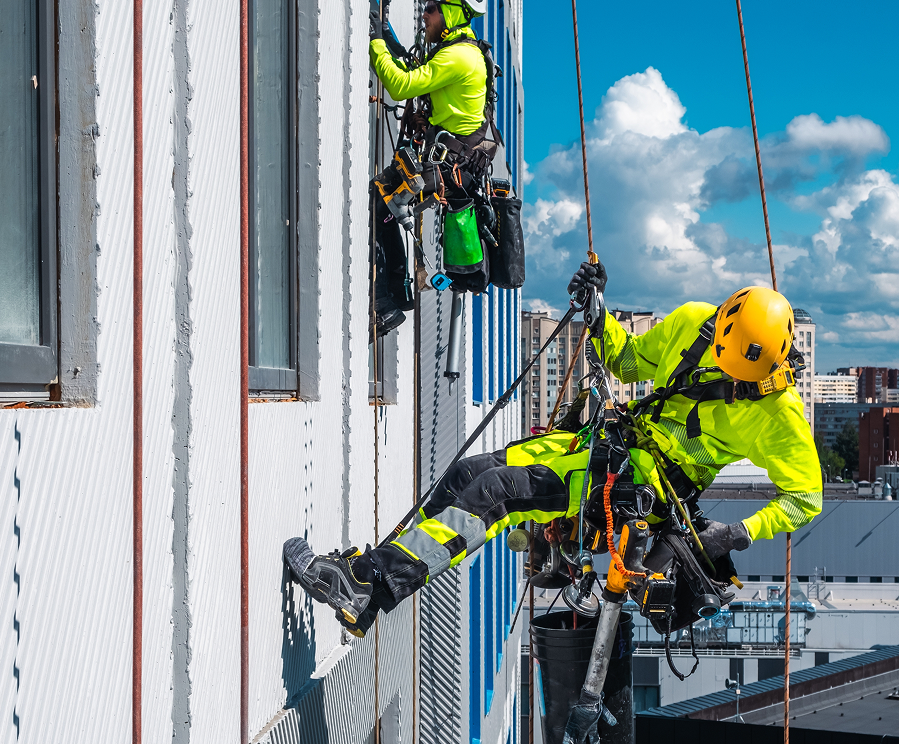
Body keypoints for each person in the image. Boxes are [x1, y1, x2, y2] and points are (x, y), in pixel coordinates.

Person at [284, 262, 822, 638]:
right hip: (604, 448)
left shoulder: (780, 415)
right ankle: (370, 588)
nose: (721, 374)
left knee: (497, 495)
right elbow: (627, 362)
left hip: (643, 490)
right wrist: (598, 313)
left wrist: (736, 533)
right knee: (469, 473)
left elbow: (807, 498)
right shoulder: (693, 325)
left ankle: (368, 581)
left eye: (735, 376)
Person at [367, 0, 492, 336]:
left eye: (432, 9)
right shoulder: (459, 52)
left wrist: (375, 41)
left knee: (383, 201)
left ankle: (387, 303)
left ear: (452, 12)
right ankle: (395, 296)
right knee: (385, 204)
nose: (425, 15)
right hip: (451, 168)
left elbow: (402, 83)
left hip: (446, 170)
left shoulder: (460, 57)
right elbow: (418, 70)